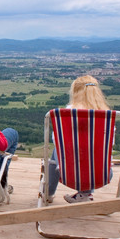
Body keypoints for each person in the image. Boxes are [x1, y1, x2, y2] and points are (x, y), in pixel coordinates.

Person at [45, 75, 111, 204]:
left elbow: (56, 141)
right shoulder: (107, 116)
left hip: (68, 173)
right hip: (101, 175)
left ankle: (48, 193)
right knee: (92, 155)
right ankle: (85, 194)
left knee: (56, 150)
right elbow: (109, 145)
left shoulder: (67, 113)